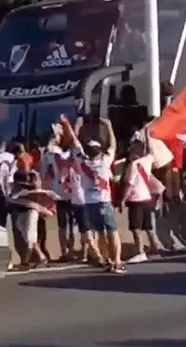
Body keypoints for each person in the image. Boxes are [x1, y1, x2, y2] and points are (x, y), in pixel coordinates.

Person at [68, 116, 124, 273]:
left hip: (89, 204)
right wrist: (109, 126)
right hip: (104, 202)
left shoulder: (81, 161)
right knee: (113, 232)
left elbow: (74, 142)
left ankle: (107, 260)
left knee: (100, 233)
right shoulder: (104, 162)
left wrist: (76, 126)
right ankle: (117, 261)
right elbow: (113, 144)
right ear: (99, 152)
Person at [123, 139, 161, 263]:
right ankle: (155, 248)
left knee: (136, 228)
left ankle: (140, 252)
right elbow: (151, 151)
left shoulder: (134, 165)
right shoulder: (147, 160)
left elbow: (129, 184)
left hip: (136, 199)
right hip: (147, 198)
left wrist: (123, 200)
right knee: (147, 225)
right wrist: (147, 134)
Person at [42, 127, 76, 261]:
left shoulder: (52, 154)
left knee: (62, 224)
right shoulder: (73, 154)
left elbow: (48, 149)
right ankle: (71, 250)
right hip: (72, 192)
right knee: (72, 225)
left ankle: (65, 251)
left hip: (59, 192)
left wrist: (55, 136)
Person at [10, 170, 48, 270]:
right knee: (29, 237)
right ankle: (42, 258)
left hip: (31, 211)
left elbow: (38, 195)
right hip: (21, 212)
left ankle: (25, 262)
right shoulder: (16, 187)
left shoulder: (34, 186)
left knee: (29, 236)